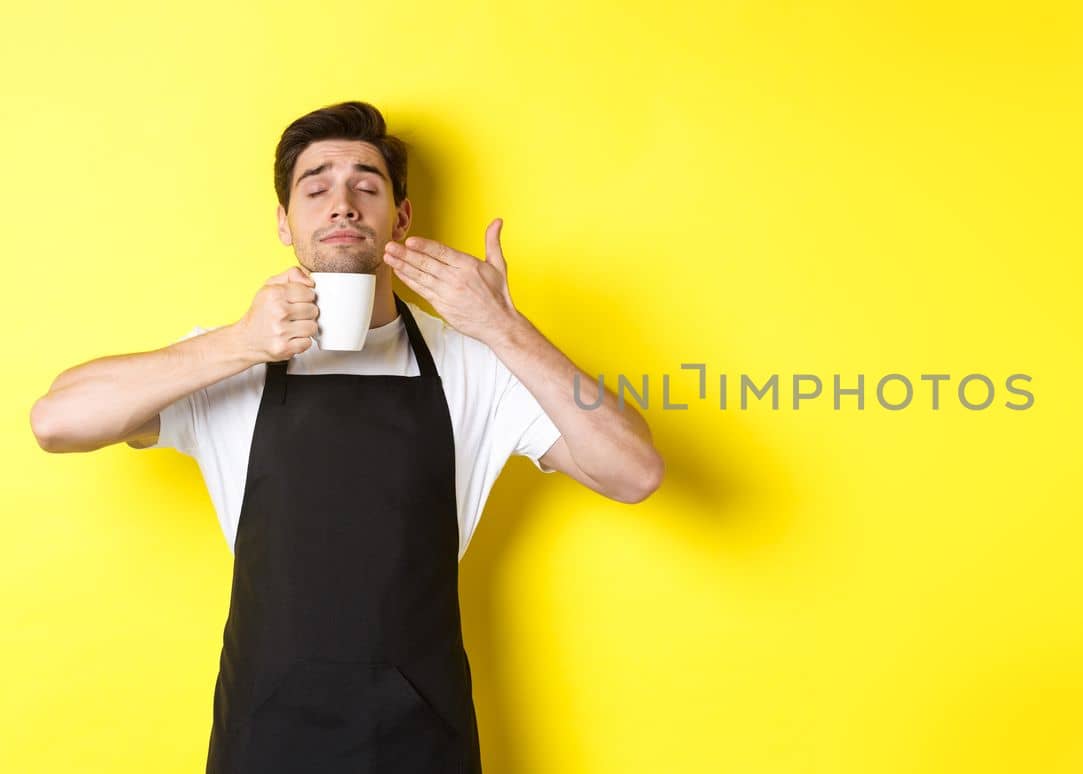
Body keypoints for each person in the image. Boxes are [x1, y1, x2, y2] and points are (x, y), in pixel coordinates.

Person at [29, 100, 665, 773]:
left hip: (422, 741)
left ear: (402, 217)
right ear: (284, 222)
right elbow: (56, 421)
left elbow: (633, 471)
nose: (342, 205)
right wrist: (240, 342)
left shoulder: (473, 361)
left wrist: (504, 329)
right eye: (315, 188)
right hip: (263, 738)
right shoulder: (226, 357)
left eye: (366, 186)